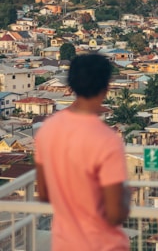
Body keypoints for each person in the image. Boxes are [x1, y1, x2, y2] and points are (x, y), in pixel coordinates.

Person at [35, 53, 131, 251]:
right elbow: (114, 214)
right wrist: (126, 198)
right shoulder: (107, 140)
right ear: (106, 88)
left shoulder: (47, 129)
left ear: (71, 86)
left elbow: (44, 193)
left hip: (64, 244)